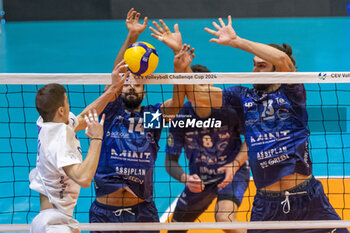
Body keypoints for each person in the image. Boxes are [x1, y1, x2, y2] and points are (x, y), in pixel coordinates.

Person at [200, 16, 349, 233]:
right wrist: (179, 62)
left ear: (276, 70)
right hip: (267, 206)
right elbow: (201, 96)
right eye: (253, 65)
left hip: (308, 200)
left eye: (261, 66)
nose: (254, 71)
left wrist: (236, 41)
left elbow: (283, 60)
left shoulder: (292, 94)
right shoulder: (242, 96)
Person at [89, 9, 188, 233]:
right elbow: (118, 73)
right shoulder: (111, 112)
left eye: (137, 84)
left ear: (144, 91)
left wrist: (177, 60)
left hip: (142, 212)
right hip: (105, 214)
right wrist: (132, 37)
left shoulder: (151, 117)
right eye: (127, 83)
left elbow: (177, 104)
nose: (131, 86)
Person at [150, 20, 250, 233]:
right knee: (175, 228)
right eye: (197, 87)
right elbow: (170, 161)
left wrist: (234, 166)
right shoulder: (180, 117)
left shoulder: (229, 109)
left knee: (225, 219)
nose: (202, 92)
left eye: (206, 86)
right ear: (189, 90)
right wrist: (186, 178)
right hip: (200, 180)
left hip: (231, 173)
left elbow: (250, 140)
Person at [29, 61, 128, 233]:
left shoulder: (48, 122)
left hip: (53, 217)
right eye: (67, 102)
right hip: (54, 225)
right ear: (61, 110)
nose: (69, 105)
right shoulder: (58, 141)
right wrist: (97, 138)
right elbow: (83, 179)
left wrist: (112, 90)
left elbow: (83, 118)